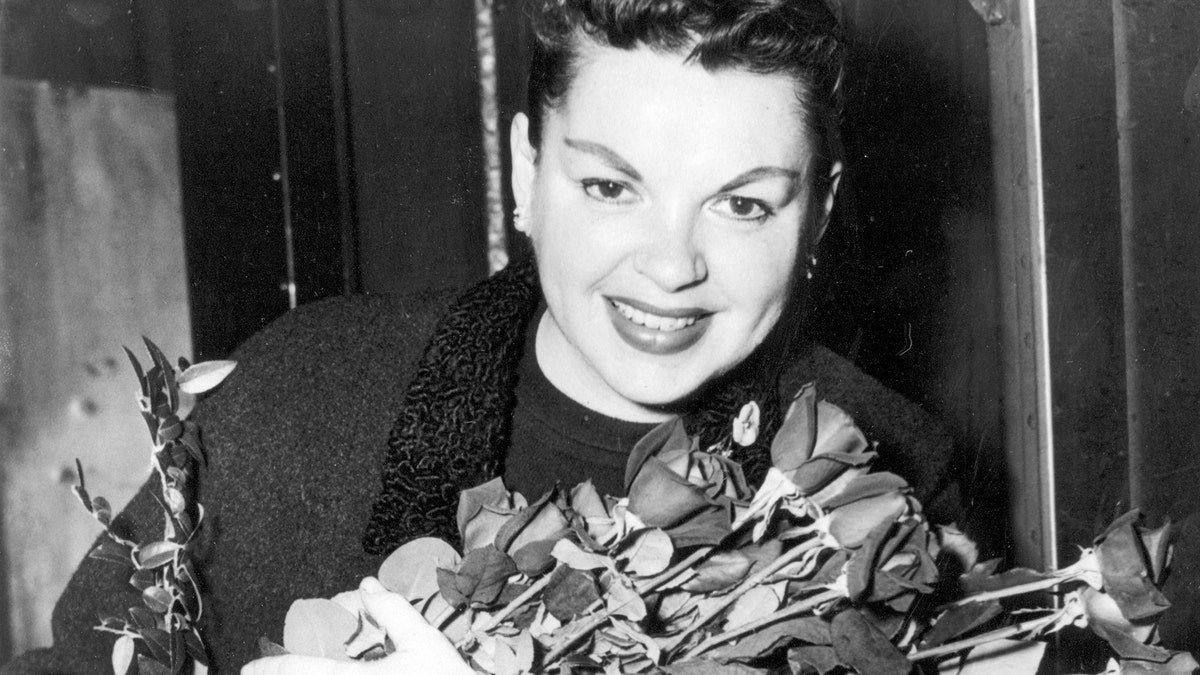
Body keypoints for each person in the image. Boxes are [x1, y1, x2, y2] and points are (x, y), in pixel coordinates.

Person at [1, 0, 963, 672]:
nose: (672, 265)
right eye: (610, 187)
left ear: (820, 216)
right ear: (523, 171)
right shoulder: (301, 388)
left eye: (744, 203)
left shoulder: (890, 476)